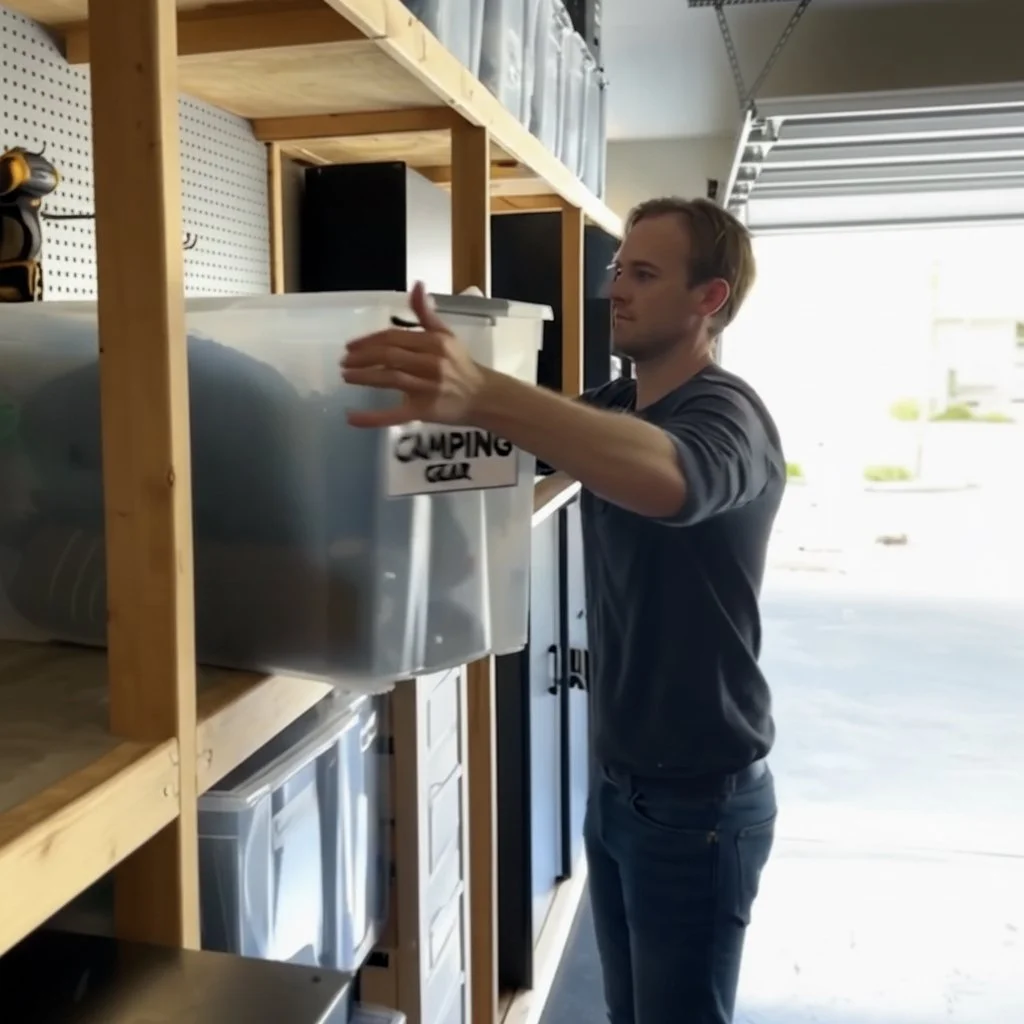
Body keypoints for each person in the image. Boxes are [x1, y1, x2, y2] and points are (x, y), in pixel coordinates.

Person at [340, 196, 785, 1024]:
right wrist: (466, 369)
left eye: (644, 274)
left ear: (709, 297)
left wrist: (485, 390)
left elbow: (675, 480)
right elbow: (513, 444)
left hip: (699, 804)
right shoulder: (618, 406)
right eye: (619, 269)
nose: (616, 289)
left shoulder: (730, 416)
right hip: (618, 783)